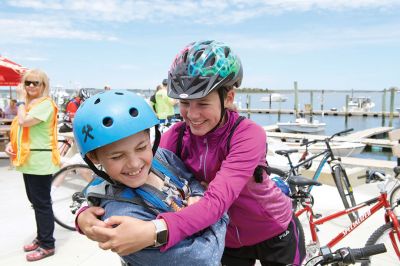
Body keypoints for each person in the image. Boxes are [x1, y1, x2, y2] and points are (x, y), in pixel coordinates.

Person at [77, 40, 305, 266]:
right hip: (224, 239)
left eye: (203, 103)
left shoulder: (247, 135)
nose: (192, 115)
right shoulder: (176, 136)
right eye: (185, 104)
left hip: (272, 230)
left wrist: (154, 231)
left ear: (228, 98)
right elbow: (132, 171)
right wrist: (85, 214)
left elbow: (216, 202)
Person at [73, 90, 228, 266]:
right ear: (94, 159)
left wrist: (199, 196)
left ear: (150, 139)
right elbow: (203, 258)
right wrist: (218, 212)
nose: (134, 163)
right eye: (117, 156)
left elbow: (191, 180)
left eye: (141, 148)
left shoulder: (161, 158)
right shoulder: (123, 219)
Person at [5, 69, 61, 262]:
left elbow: (24, 122)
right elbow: (19, 131)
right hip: (29, 161)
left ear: (43, 86)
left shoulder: (45, 105)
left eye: (35, 83)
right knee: (36, 203)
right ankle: (41, 237)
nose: (30, 86)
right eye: (27, 82)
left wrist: (20, 101)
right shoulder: (31, 105)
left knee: (42, 204)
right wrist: (11, 145)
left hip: (39, 162)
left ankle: (48, 244)